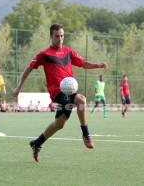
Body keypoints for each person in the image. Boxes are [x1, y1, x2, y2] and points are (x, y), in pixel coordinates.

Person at [12, 24, 108, 162]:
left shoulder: (69, 52)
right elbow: (29, 68)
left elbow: (83, 63)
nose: (60, 39)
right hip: (57, 92)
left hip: (69, 91)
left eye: (62, 36)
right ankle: (86, 134)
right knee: (81, 100)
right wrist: (18, 87)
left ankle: (37, 143)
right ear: (51, 36)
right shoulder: (44, 55)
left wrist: (98, 65)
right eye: (57, 36)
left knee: (60, 124)